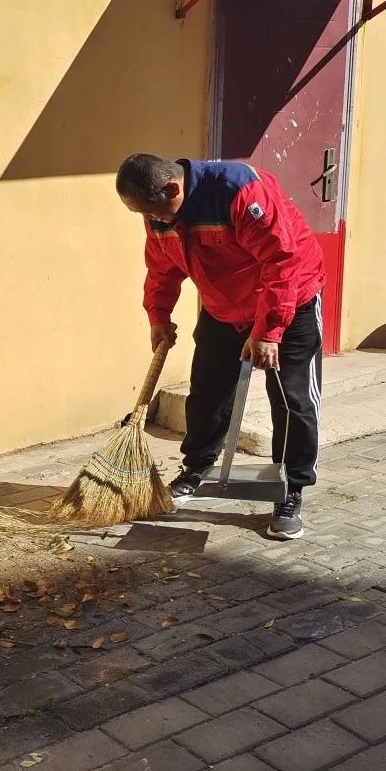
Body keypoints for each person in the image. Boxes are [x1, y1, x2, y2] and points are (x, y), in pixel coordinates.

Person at [116, 153, 324, 540]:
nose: (153, 220)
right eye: (143, 214)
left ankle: (290, 489)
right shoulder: (158, 211)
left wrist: (269, 331)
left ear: (172, 188)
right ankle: (196, 469)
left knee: (291, 400)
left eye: (154, 212)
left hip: (289, 299)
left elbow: (282, 261)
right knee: (207, 392)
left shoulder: (238, 191)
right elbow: (161, 265)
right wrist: (158, 315)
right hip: (224, 306)